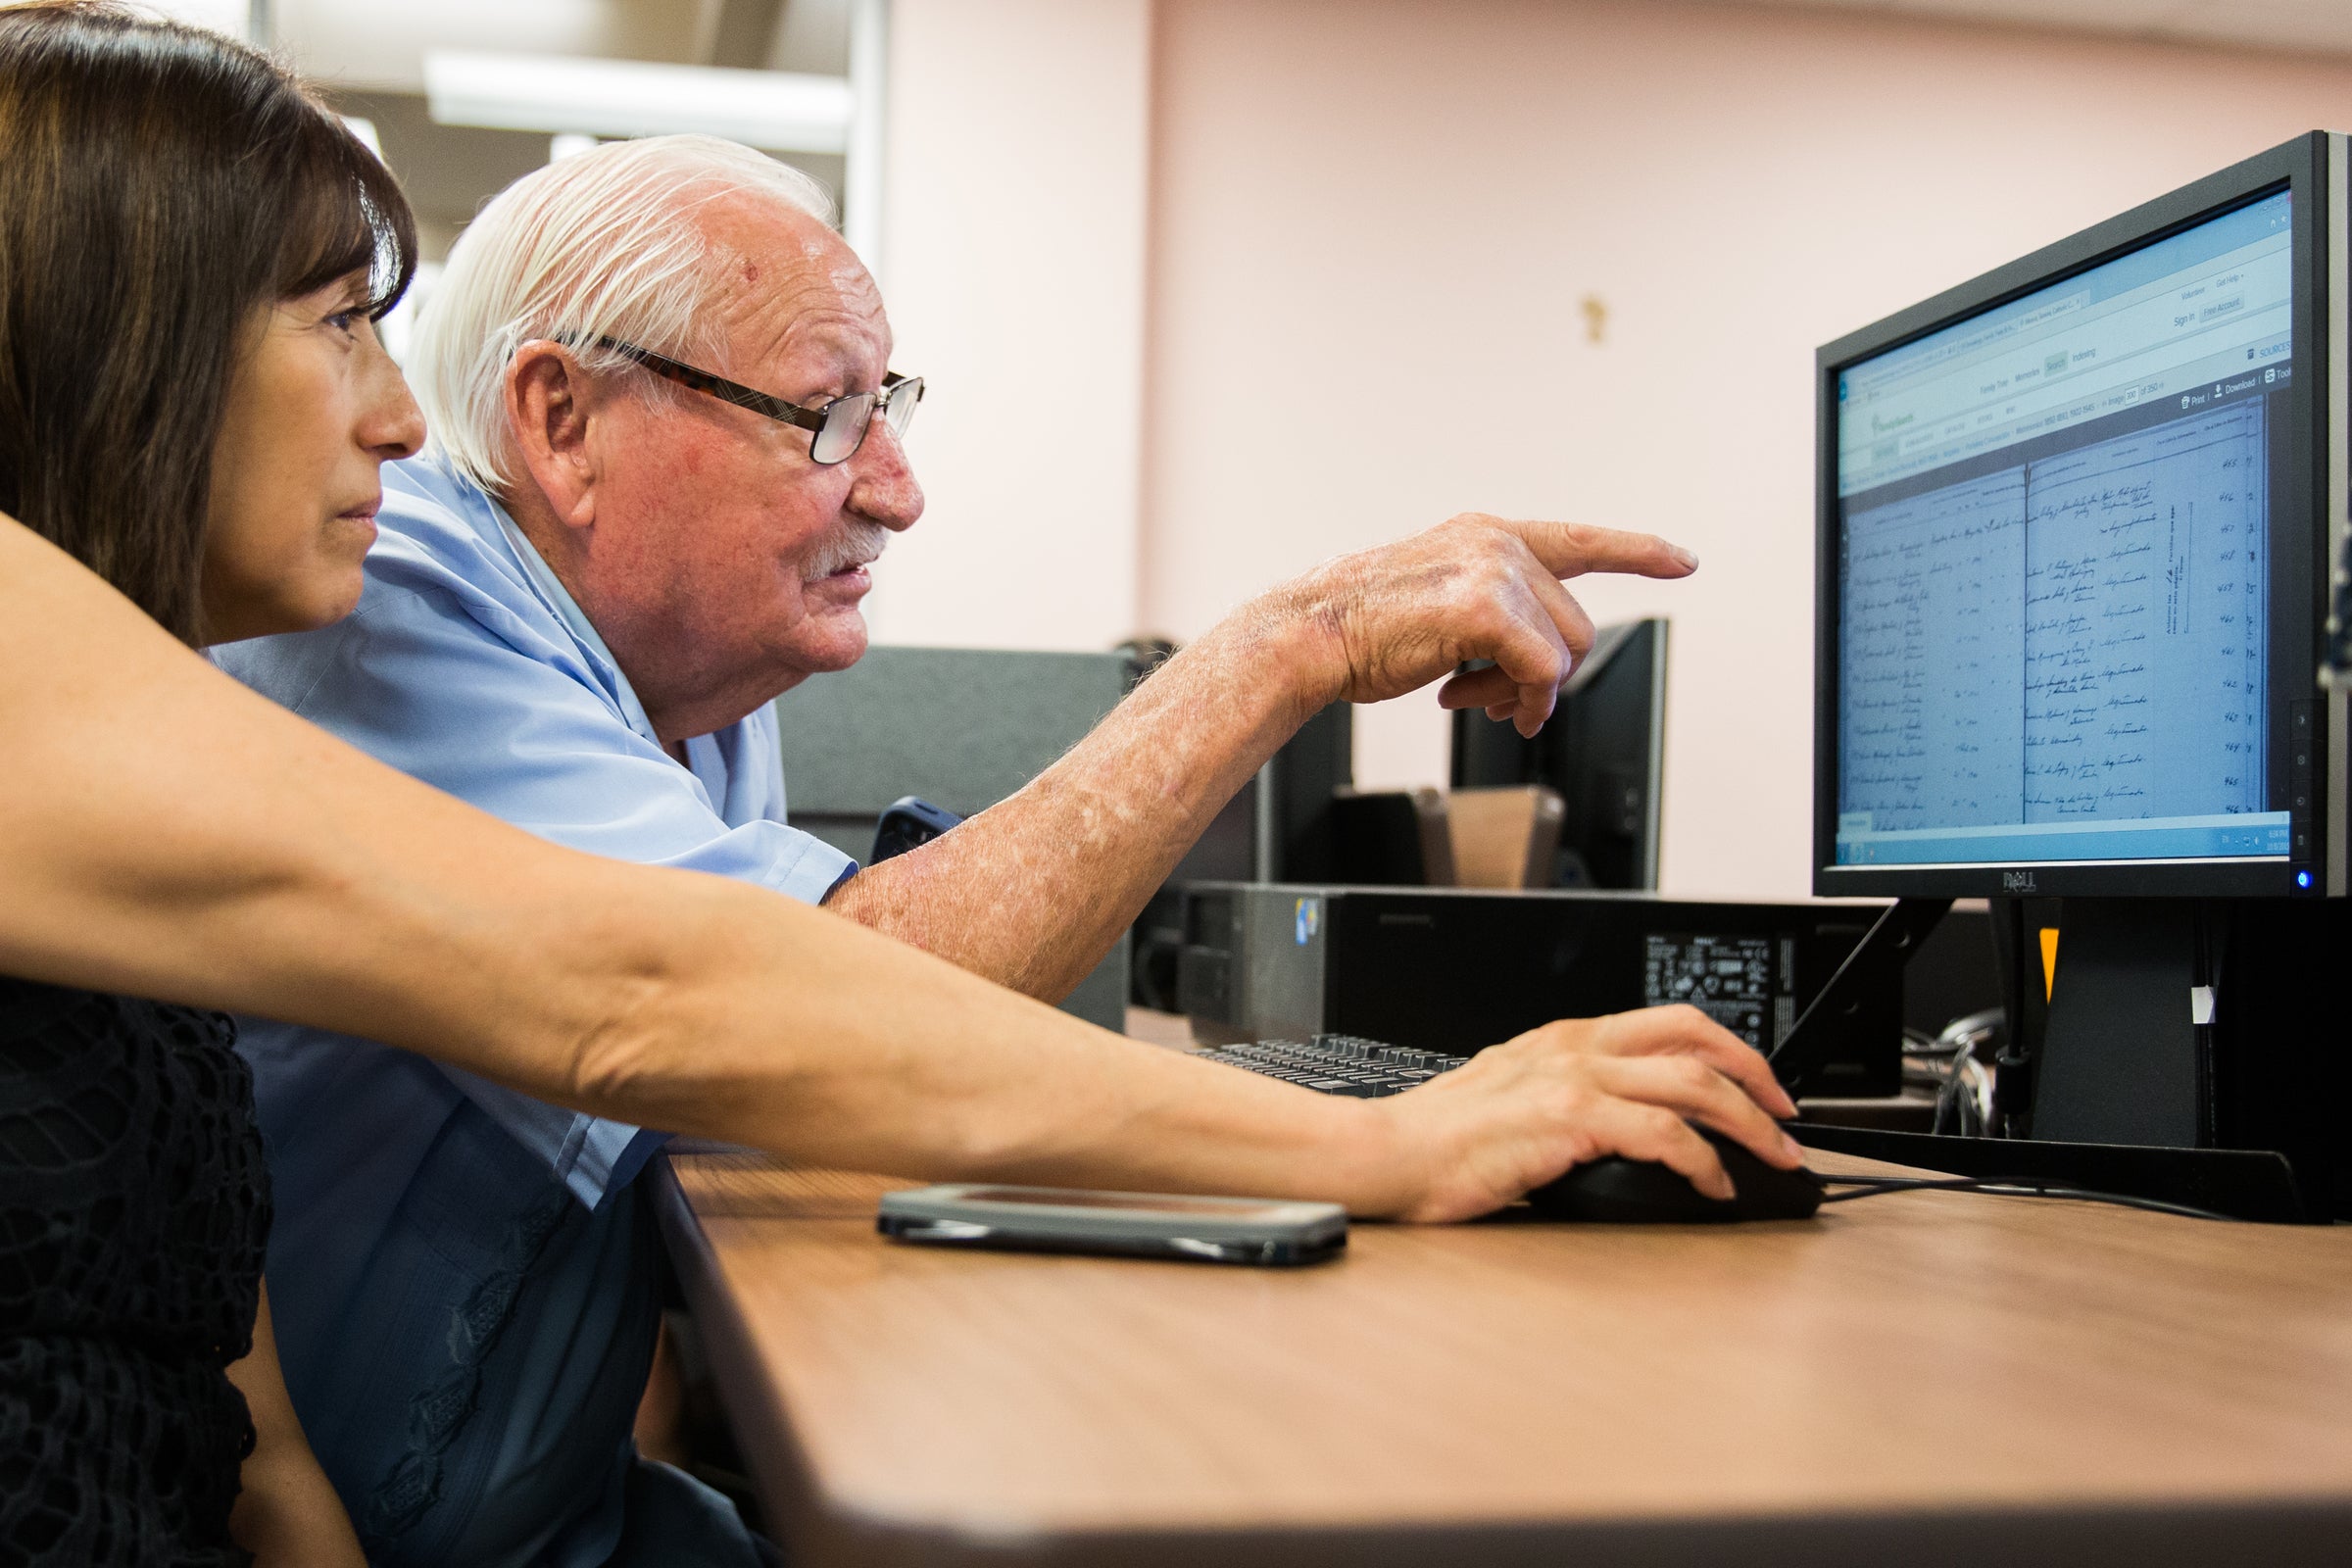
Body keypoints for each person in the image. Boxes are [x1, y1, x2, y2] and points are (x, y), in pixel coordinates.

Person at [210, 135, 1798, 1565]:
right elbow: (832, 1003)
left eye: (885, 411)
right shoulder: (393, 598)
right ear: (562, 422)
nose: (897, 491)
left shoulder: (679, 680)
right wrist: (1297, 644)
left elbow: (805, 1043)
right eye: (829, 414)